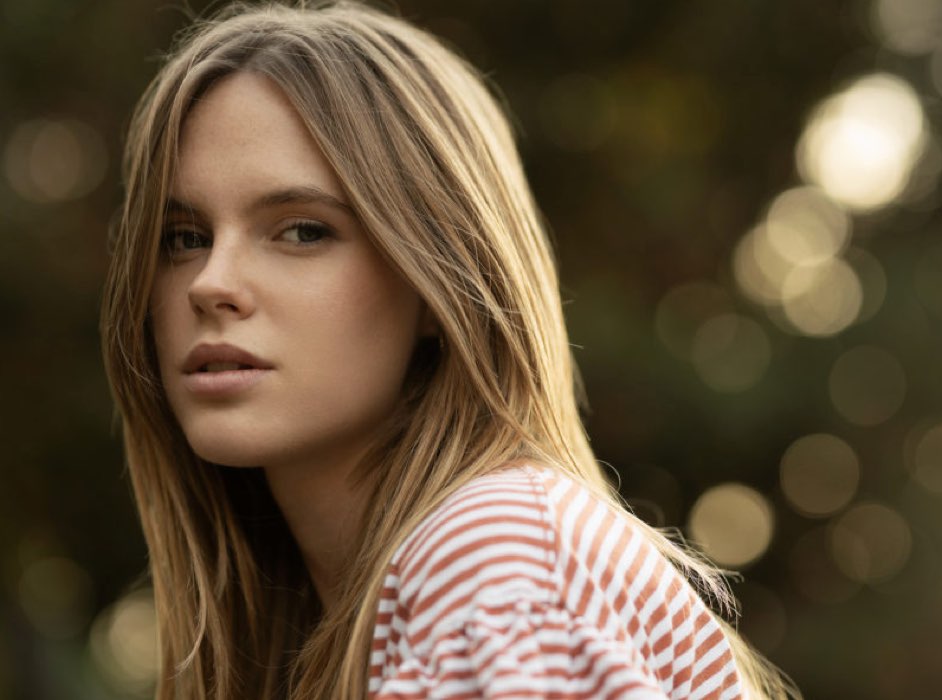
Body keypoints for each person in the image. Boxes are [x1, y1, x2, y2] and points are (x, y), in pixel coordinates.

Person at [100, 2, 796, 698]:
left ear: (437, 286)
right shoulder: (337, 612)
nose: (211, 283)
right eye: (184, 238)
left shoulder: (497, 556)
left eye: (302, 231)